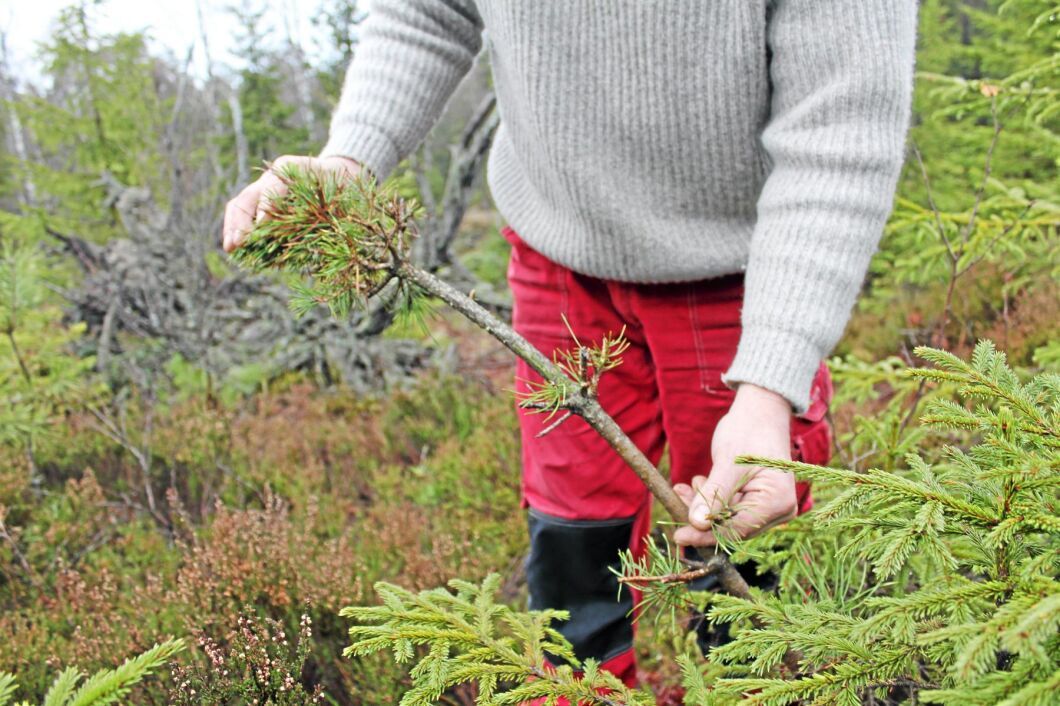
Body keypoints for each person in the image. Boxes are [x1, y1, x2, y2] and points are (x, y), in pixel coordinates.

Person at [222, 0, 918, 690]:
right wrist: (350, 155)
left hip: (746, 272)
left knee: (747, 548)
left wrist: (770, 385)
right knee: (573, 547)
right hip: (559, 253)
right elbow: (426, 12)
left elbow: (841, 126)